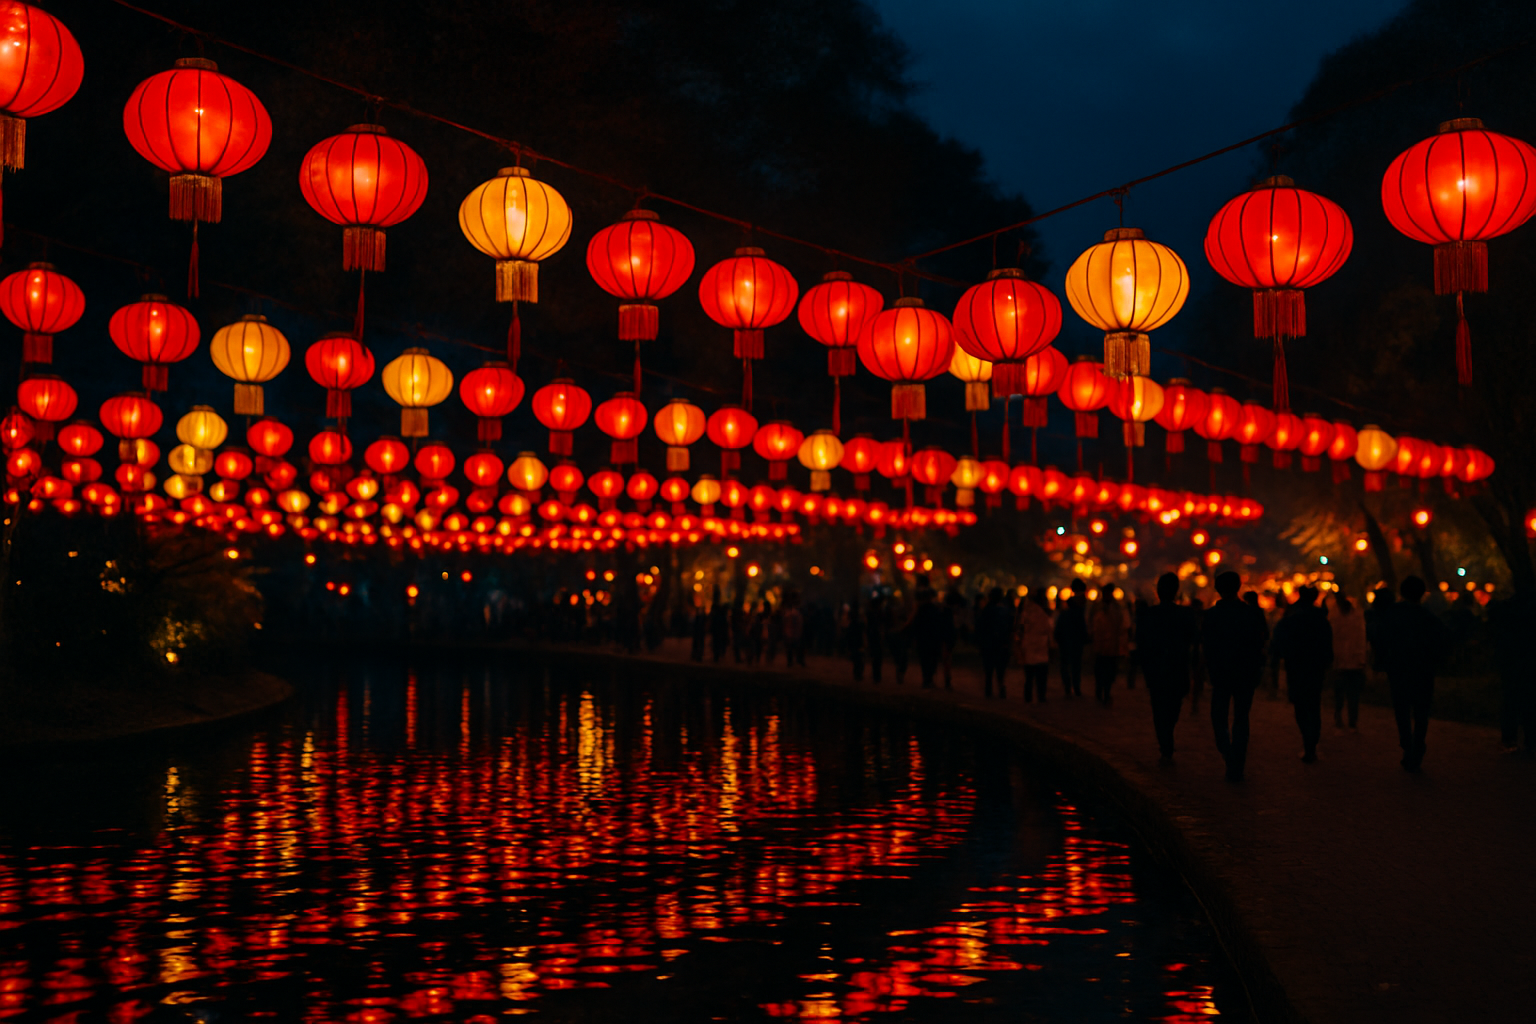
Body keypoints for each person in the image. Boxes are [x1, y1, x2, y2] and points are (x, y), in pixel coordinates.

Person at [1369, 576, 1446, 771]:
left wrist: (1380, 664)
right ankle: (1417, 747)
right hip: (1423, 671)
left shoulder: (1392, 614)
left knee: (1401, 709)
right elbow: (1442, 643)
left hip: (1399, 669)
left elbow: (1380, 639)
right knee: (1421, 712)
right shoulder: (1428, 617)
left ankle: (1407, 743)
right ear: (1422, 594)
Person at [1202, 571, 1268, 781]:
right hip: (1245, 673)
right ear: (1238, 587)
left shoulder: (1211, 616)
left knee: (1218, 716)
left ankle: (1229, 755)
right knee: (1241, 717)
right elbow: (1260, 643)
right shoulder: (1252, 614)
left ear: (1218, 589)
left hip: (1221, 673)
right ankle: (1237, 762)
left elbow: (1207, 646)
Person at [1135, 573, 1197, 762]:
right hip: (1177, 669)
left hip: (1156, 671)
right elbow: (1193, 640)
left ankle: (1165, 745)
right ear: (1176, 592)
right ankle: (1167, 741)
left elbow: (1141, 643)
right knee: (1173, 708)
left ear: (1158, 592)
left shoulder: (1148, 615)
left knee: (1159, 708)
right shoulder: (1185, 615)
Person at [1280, 586, 1332, 762]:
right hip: (1315, 667)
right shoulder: (1321, 618)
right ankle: (1312, 742)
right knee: (1313, 704)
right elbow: (1327, 644)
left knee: (1300, 705)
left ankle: (1308, 741)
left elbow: (1281, 640)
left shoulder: (1292, 615)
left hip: (1296, 666)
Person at [1488, 592, 1536, 754]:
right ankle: (1529, 740)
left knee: (1511, 700)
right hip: (1526, 661)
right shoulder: (1528, 614)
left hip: (1511, 662)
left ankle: (1510, 739)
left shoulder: (1509, 616)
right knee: (1528, 700)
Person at [1330, 590, 1368, 729]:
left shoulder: (1334, 617)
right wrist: (1362, 659)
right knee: (1353, 694)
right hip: (1354, 662)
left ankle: (1339, 717)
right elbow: (1361, 640)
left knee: (1339, 692)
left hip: (1340, 661)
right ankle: (1352, 720)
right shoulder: (1357, 617)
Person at [1090, 592, 1129, 705]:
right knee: (1102, 672)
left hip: (1110, 648)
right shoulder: (1100, 612)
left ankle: (1105, 693)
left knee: (1107, 673)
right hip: (1103, 648)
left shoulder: (1115, 612)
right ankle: (1101, 692)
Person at [975, 587, 1013, 698]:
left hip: (988, 644)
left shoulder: (985, 611)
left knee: (989, 670)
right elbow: (1009, 628)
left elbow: (980, 628)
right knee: (1001, 670)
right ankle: (1001, 689)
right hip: (1002, 644)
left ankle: (988, 690)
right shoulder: (1005, 611)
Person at [1054, 579, 1089, 697]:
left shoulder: (1065, 613)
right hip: (1075, 640)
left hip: (1066, 640)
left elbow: (1058, 627)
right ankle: (1075, 687)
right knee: (1075, 665)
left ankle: (1068, 687)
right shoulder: (1081, 611)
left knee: (1066, 665)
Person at [1016, 591, 1053, 701]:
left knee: (1029, 676)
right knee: (1041, 676)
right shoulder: (1044, 613)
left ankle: (1028, 697)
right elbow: (1049, 630)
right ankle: (1041, 697)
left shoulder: (1026, 612)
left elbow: (1020, 630)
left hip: (1028, 646)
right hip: (1041, 646)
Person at [910, 587, 948, 688]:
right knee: (931, 660)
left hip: (925, 638)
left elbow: (916, 624)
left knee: (925, 660)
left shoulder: (923, 609)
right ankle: (928, 679)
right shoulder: (934, 609)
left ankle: (927, 679)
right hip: (932, 638)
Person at [941, 586, 967, 688]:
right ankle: (947, 676)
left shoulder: (945, 612)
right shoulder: (959, 611)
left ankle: (947, 675)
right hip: (951, 633)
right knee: (948, 655)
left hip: (946, 633)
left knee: (946, 655)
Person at [866, 592, 887, 683]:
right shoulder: (879, 612)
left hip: (872, 634)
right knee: (877, 656)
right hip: (876, 635)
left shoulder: (870, 613)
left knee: (874, 656)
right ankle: (877, 676)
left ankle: (876, 676)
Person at [781, 591, 805, 667]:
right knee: (793, 647)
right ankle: (794, 661)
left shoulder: (791, 611)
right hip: (792, 631)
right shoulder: (793, 611)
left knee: (792, 648)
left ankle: (793, 661)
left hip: (791, 631)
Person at [708, 587, 730, 663]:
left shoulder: (716, 610)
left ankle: (717, 655)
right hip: (719, 629)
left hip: (717, 629)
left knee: (717, 643)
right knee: (718, 643)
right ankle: (718, 655)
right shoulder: (719, 611)